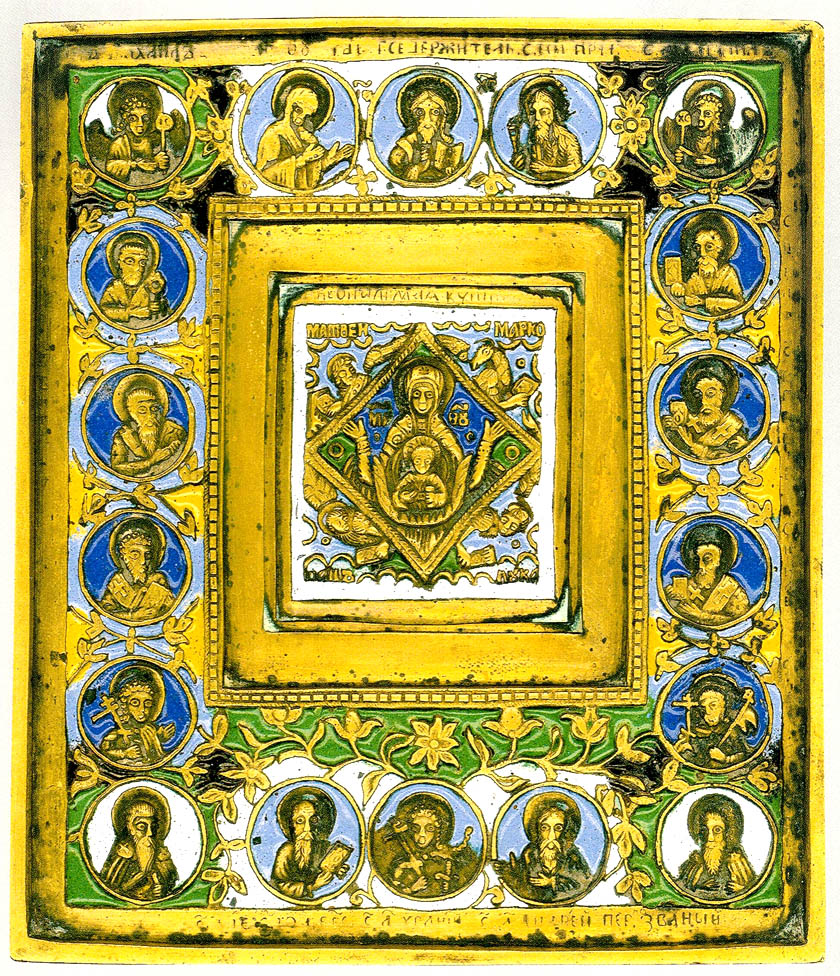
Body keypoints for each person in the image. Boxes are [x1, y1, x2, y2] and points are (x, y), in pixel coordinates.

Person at [256, 70, 354, 190]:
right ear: (288, 107)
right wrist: (301, 160)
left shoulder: (305, 137)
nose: (300, 120)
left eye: (307, 115)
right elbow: (264, 174)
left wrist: (329, 160)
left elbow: (308, 173)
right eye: (298, 110)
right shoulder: (275, 134)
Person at [372, 792, 479, 898]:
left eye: (429, 829)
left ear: (439, 832)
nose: (421, 835)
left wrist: (450, 883)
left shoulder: (449, 857)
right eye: (416, 829)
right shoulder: (401, 858)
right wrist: (413, 888)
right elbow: (390, 888)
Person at [494, 792, 592, 903]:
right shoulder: (530, 853)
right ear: (537, 829)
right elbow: (524, 883)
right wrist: (511, 871)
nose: (551, 836)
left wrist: (553, 882)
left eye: (558, 828)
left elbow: (583, 882)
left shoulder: (571, 854)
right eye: (545, 827)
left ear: (565, 829)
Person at [661, 78, 760, 178]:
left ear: (716, 117)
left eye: (707, 114)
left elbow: (730, 159)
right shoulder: (688, 134)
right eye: (698, 112)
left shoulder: (721, 136)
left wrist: (714, 161)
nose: (701, 118)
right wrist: (681, 158)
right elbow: (687, 159)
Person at [269, 787, 352, 900]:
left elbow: (327, 866)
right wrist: (312, 887)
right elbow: (279, 885)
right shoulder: (287, 850)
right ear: (292, 825)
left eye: (313, 820)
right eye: (300, 821)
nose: (307, 828)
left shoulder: (324, 847)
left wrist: (337, 870)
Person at [661, 356, 749, 460]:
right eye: (698, 394)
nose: (703, 401)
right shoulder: (683, 422)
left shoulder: (734, 429)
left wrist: (703, 451)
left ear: (724, 394)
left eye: (710, 393)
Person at [664, 522, 751, 627]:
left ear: (719, 560)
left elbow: (740, 621)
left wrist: (701, 617)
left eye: (707, 559)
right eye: (697, 559)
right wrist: (671, 600)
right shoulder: (682, 586)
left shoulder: (733, 590)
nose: (700, 565)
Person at [100, 787, 178, 901]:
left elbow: (171, 883)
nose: (149, 833)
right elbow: (112, 890)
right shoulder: (123, 854)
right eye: (142, 826)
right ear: (130, 828)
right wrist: (141, 874)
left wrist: (163, 889)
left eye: (153, 826)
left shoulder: (162, 855)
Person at [387, 74, 465, 183]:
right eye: (419, 112)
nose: (427, 121)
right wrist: (417, 167)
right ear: (412, 117)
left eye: (435, 112)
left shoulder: (450, 150)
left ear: (443, 118)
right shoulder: (403, 149)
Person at [677, 793, 756, 899]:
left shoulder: (737, 862)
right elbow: (681, 889)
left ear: (728, 832)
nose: (710, 838)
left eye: (717, 830)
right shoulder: (693, 863)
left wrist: (741, 889)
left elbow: (753, 890)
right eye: (704, 830)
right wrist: (699, 887)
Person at [109, 372, 187, 478]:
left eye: (154, 408)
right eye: (142, 410)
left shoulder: (174, 431)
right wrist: (151, 461)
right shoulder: (124, 435)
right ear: (131, 413)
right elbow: (118, 467)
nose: (150, 415)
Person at [96, 665, 177, 766]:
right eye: (135, 703)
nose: (142, 709)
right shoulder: (119, 732)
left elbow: (156, 756)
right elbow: (104, 751)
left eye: (147, 704)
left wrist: (160, 737)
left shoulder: (150, 730)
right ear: (125, 706)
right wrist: (124, 753)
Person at [673, 672, 757, 768]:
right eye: (703, 707)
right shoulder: (698, 731)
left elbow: (744, 755)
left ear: (725, 706)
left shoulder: (732, 731)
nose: (707, 711)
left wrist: (725, 759)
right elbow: (697, 758)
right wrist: (686, 749)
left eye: (713, 705)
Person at [667, 212, 745, 316]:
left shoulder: (728, 274)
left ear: (721, 249)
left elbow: (738, 303)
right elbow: (689, 290)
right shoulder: (697, 274)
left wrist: (704, 302)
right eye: (697, 247)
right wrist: (680, 287)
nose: (702, 253)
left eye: (709, 247)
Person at [508, 76, 583, 181]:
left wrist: (547, 169)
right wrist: (518, 164)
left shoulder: (566, 138)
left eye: (544, 112)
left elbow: (576, 166)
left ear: (555, 113)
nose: (537, 118)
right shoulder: (532, 138)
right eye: (532, 112)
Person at [100, 517, 175, 621]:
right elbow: (105, 613)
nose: (143, 561)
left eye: (147, 555)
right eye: (135, 554)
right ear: (123, 555)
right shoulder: (117, 582)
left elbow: (172, 609)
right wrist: (132, 616)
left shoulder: (158, 580)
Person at [99, 231, 170, 326]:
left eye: (142, 262)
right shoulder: (115, 288)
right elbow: (104, 310)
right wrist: (131, 312)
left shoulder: (148, 286)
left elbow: (164, 310)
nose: (137, 268)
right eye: (130, 261)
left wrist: (159, 305)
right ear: (119, 263)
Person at [393, 436, 448, 513]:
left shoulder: (433, 478)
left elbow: (444, 494)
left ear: (432, 462)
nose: (422, 465)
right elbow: (396, 492)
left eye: (427, 461)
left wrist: (435, 498)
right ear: (412, 462)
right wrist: (403, 497)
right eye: (417, 461)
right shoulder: (409, 478)